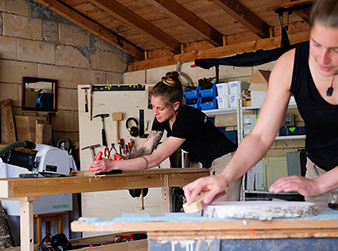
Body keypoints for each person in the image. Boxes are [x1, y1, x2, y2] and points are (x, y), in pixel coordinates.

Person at [184, 0, 338, 212]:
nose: (322, 59)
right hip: (318, 171)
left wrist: (320, 185)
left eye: (335, 49)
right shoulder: (290, 65)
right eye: (316, 44)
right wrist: (225, 177)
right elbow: (260, 137)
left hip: (319, 183)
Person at [90, 71, 242, 202]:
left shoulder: (187, 119)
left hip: (227, 160)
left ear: (175, 105)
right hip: (214, 163)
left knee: (223, 214)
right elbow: (146, 149)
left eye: (160, 108)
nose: (155, 113)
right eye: (153, 107)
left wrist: (113, 165)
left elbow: (156, 159)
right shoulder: (162, 118)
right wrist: (126, 158)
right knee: (211, 212)